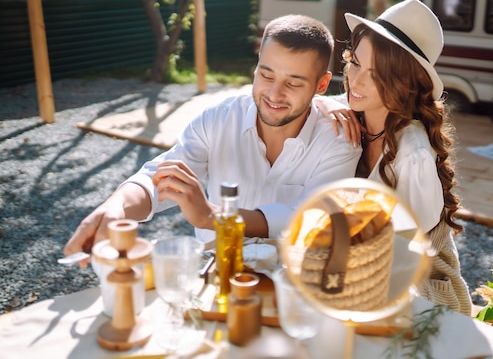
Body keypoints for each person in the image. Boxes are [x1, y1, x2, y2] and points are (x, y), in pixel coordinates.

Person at [64, 14, 361, 262]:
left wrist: (213, 217)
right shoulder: (218, 119)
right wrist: (116, 207)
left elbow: (312, 219)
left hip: (293, 285)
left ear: (322, 84)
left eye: (293, 83)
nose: (273, 94)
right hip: (213, 274)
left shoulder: (339, 137)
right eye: (266, 76)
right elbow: (162, 173)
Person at [316, 0, 473, 315]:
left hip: (417, 288)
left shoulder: (412, 154)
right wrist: (325, 107)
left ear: (405, 85)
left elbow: (407, 259)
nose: (356, 81)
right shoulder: (355, 111)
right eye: (355, 62)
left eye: (376, 74)